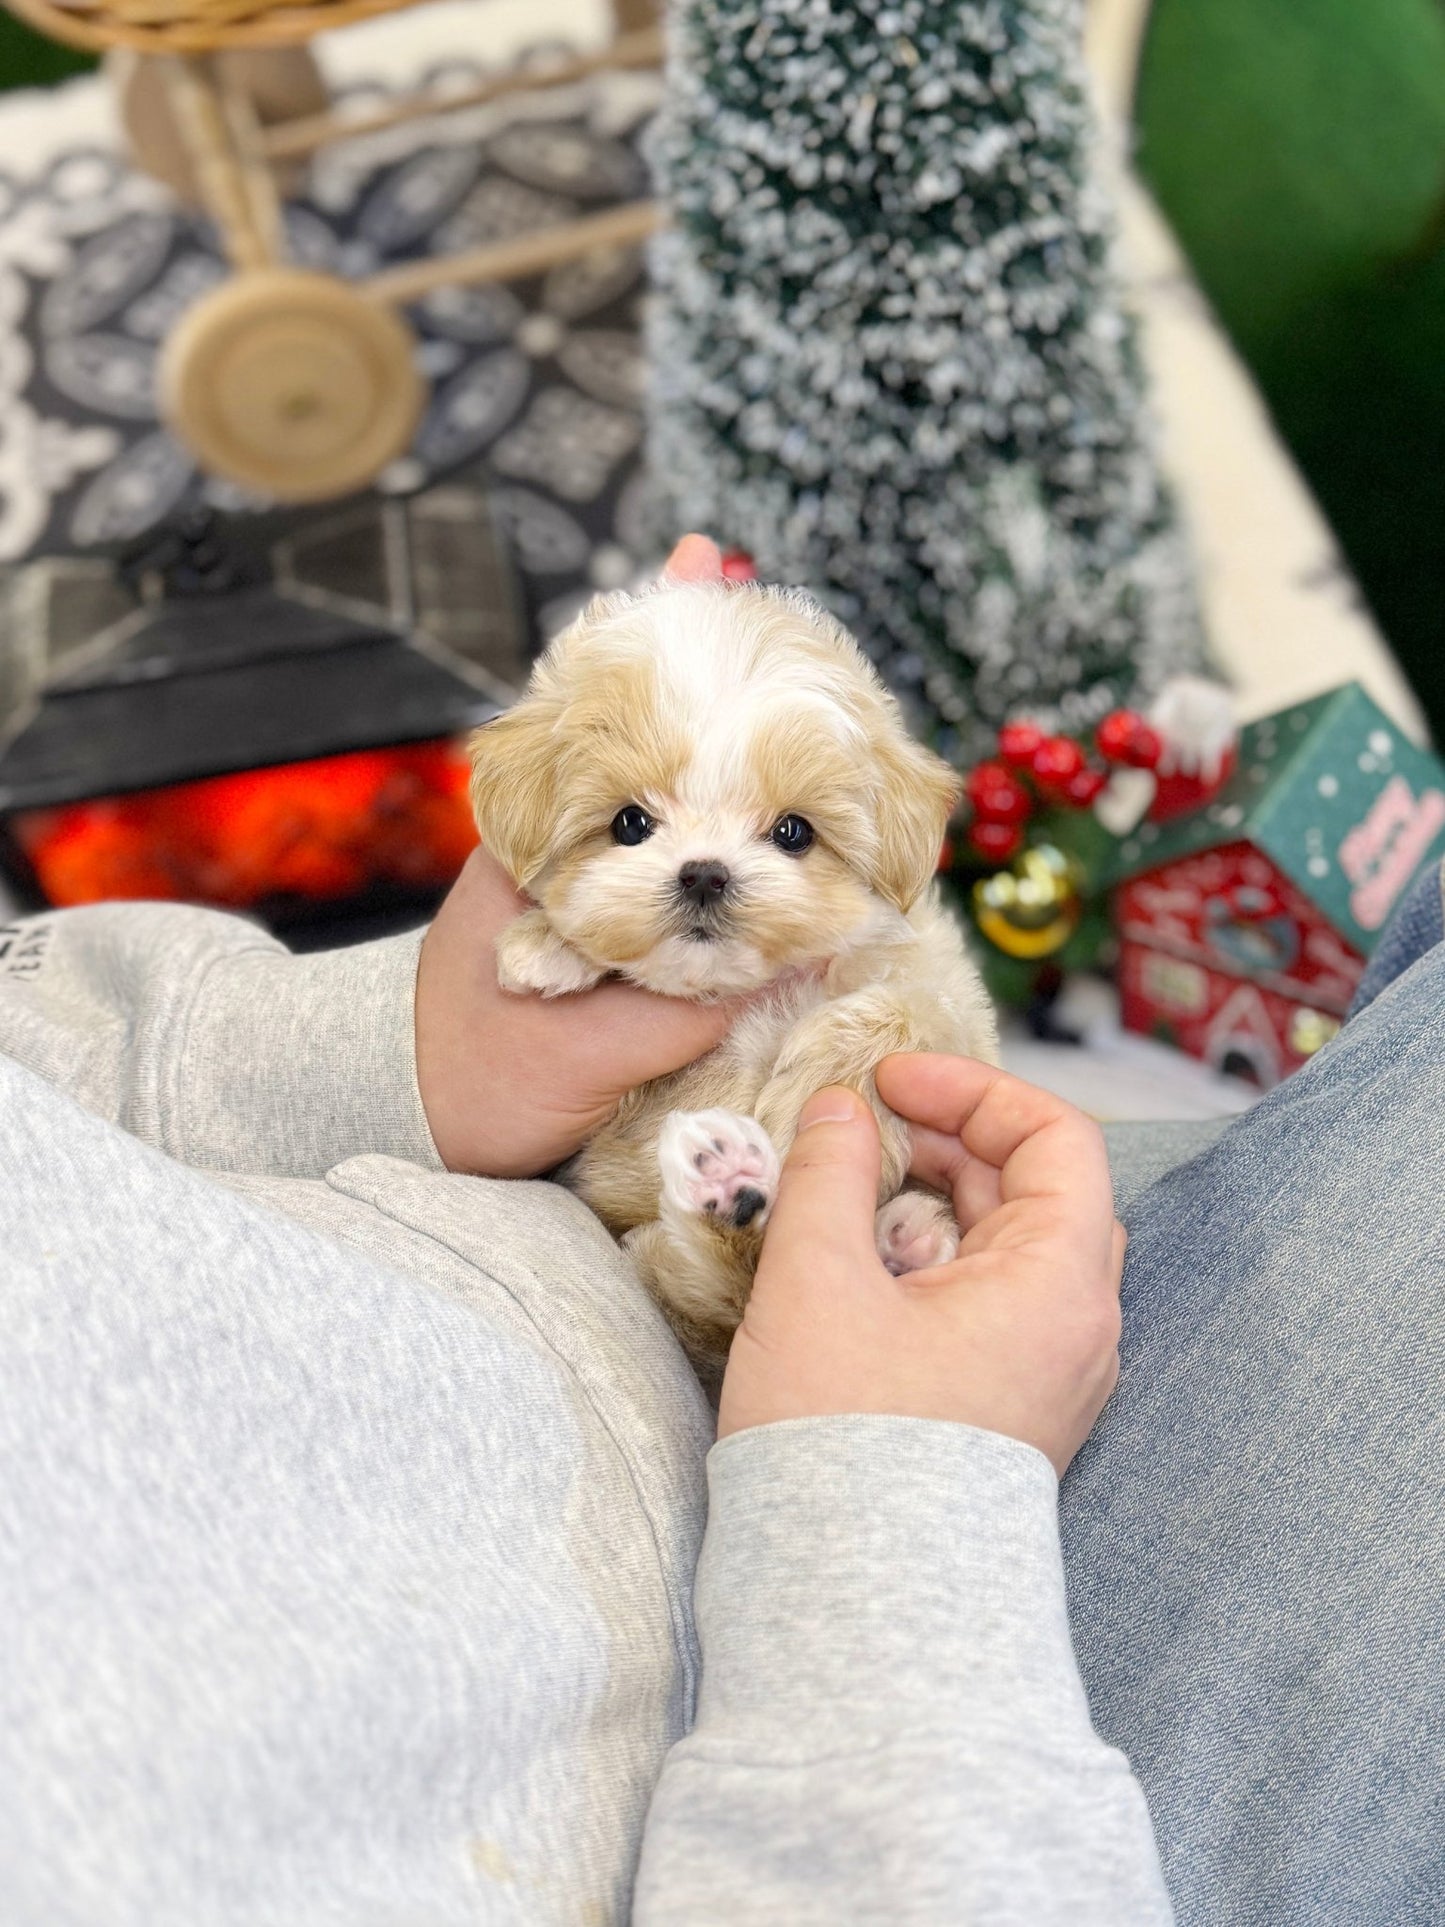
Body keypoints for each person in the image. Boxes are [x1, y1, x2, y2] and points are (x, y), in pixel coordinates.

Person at [0, 635, 1441, 1927]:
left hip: (728, 1292)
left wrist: (369, 1056)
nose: (698, 865)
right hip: (917, 1721)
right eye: (634, 822)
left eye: (783, 830)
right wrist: (892, 1484)